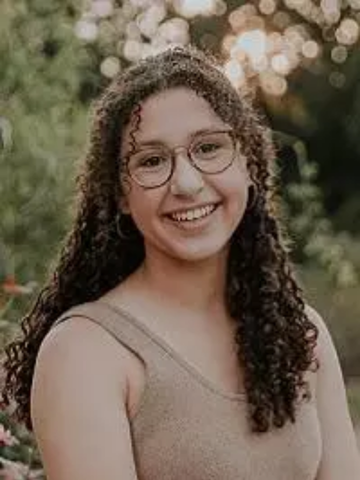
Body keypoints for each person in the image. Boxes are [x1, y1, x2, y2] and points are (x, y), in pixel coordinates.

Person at [2, 46, 359, 480]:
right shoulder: (86, 353)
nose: (187, 183)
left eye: (208, 148)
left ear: (248, 162)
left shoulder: (302, 333)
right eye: (152, 161)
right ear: (120, 194)